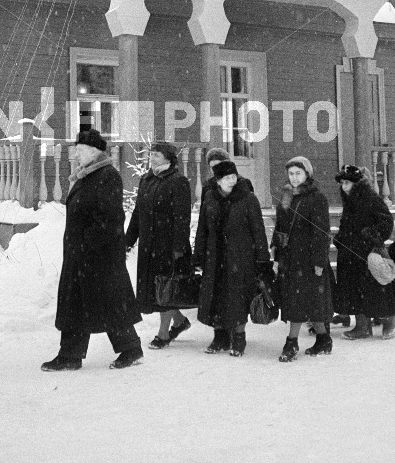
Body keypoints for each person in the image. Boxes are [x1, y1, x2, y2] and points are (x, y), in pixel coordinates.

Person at [42, 129, 143, 371]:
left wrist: (88, 245)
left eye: (80, 151)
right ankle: (71, 355)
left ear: (94, 152)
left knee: (109, 305)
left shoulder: (107, 176)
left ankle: (130, 349)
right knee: (80, 305)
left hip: (99, 257)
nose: (76, 155)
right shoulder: (87, 176)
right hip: (81, 255)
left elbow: (109, 219)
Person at [193, 160, 270, 357]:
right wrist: (198, 255)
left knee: (237, 298)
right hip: (214, 256)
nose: (231, 181)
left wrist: (263, 259)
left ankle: (238, 337)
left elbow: (258, 230)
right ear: (217, 181)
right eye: (227, 178)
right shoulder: (210, 197)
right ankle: (220, 337)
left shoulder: (247, 198)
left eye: (234, 177)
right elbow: (203, 228)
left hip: (240, 257)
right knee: (216, 296)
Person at [125, 141, 194, 349]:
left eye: (156, 155)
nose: (152, 158)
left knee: (165, 288)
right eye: (151, 154)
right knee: (157, 291)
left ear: (168, 158)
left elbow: (182, 217)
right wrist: (128, 241)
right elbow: (138, 213)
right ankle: (180, 321)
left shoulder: (178, 181)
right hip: (149, 246)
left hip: (168, 246)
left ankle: (164, 334)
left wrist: (178, 248)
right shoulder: (147, 179)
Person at [272, 156, 334, 362]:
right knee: (303, 301)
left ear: (307, 174)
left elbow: (321, 232)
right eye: (291, 173)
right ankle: (324, 339)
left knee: (300, 302)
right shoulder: (287, 196)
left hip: (308, 259)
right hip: (290, 259)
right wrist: (277, 255)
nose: (294, 177)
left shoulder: (317, 198)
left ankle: (291, 342)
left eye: (298, 173)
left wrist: (319, 261)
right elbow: (280, 228)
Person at [332, 165, 395, 340]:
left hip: (367, 251)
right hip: (349, 250)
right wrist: (340, 237)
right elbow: (347, 223)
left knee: (374, 288)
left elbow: (386, 221)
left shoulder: (370, 197)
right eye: (342, 183)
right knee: (353, 288)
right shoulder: (349, 199)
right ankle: (362, 326)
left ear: (356, 183)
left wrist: (373, 234)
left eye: (347, 183)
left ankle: (390, 319)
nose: (344, 186)